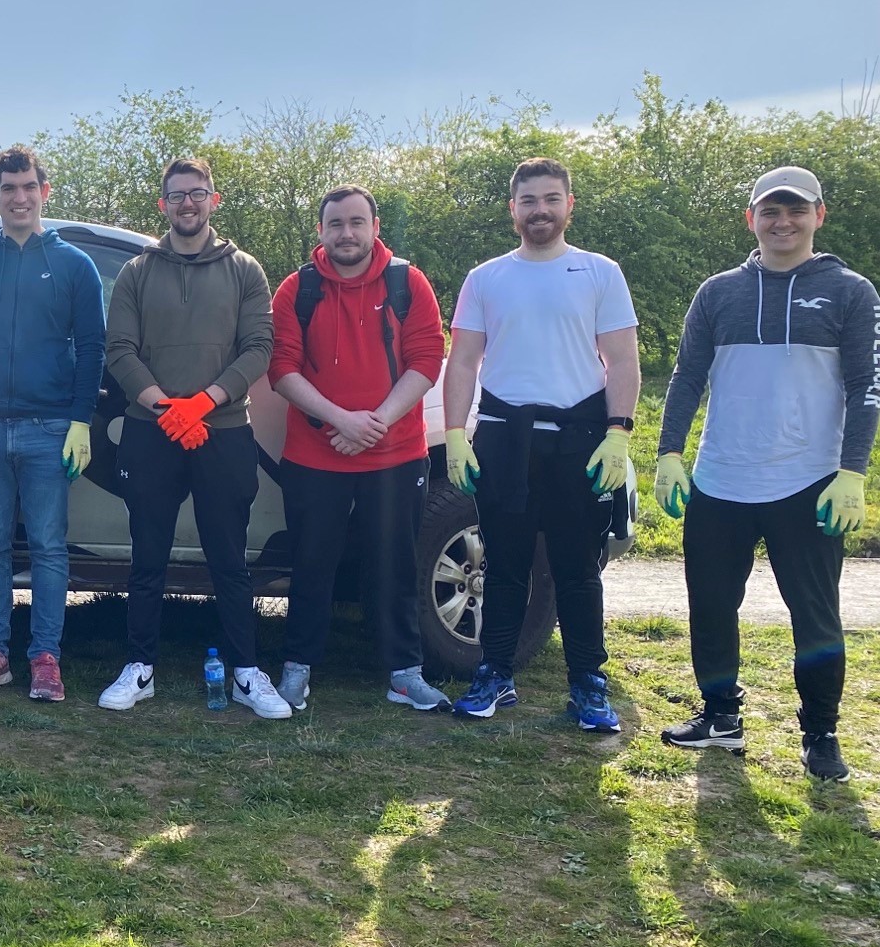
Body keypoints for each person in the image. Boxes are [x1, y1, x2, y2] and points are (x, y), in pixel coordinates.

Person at [653, 166, 877, 782]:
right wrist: (670, 452)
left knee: (815, 614)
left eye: (796, 210)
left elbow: (866, 389)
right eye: (770, 211)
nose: (783, 222)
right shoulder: (718, 292)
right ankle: (721, 718)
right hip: (720, 480)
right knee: (712, 607)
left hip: (808, 484)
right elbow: (685, 377)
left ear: (819, 215)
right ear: (751, 218)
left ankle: (821, 734)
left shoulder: (850, 292)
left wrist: (851, 472)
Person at [442, 157, 640, 730]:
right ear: (513, 210)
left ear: (569, 205)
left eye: (551, 199)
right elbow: (463, 362)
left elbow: (623, 360)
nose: (540, 211)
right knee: (502, 566)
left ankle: (586, 683)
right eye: (529, 201)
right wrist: (456, 434)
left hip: (581, 438)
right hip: (505, 437)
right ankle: (495, 674)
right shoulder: (487, 278)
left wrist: (618, 432)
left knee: (577, 570)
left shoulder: (599, 272)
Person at [100, 155, 289, 717]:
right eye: (177, 195)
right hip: (149, 432)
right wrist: (163, 405)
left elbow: (259, 347)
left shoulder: (246, 270)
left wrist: (206, 402)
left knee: (229, 558)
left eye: (197, 193)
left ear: (214, 200)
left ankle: (246, 673)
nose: (188, 203)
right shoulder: (137, 271)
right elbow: (119, 350)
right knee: (147, 556)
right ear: (163, 205)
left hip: (224, 433)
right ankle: (141, 668)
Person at [269, 185, 450, 713]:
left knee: (396, 565)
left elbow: (426, 359)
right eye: (335, 224)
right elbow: (282, 367)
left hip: (395, 452)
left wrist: (374, 423)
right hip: (313, 453)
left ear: (375, 227)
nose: (346, 233)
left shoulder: (408, 282)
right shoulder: (295, 290)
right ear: (320, 231)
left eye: (356, 222)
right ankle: (297, 671)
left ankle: (404, 675)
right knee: (311, 565)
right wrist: (339, 419)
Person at [0, 145, 104, 702]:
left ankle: (44, 658)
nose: (19, 197)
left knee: (47, 548)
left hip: (49, 430)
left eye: (28, 187)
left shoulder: (74, 265)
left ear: (45, 192)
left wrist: (80, 422)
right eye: (8, 189)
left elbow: (92, 348)